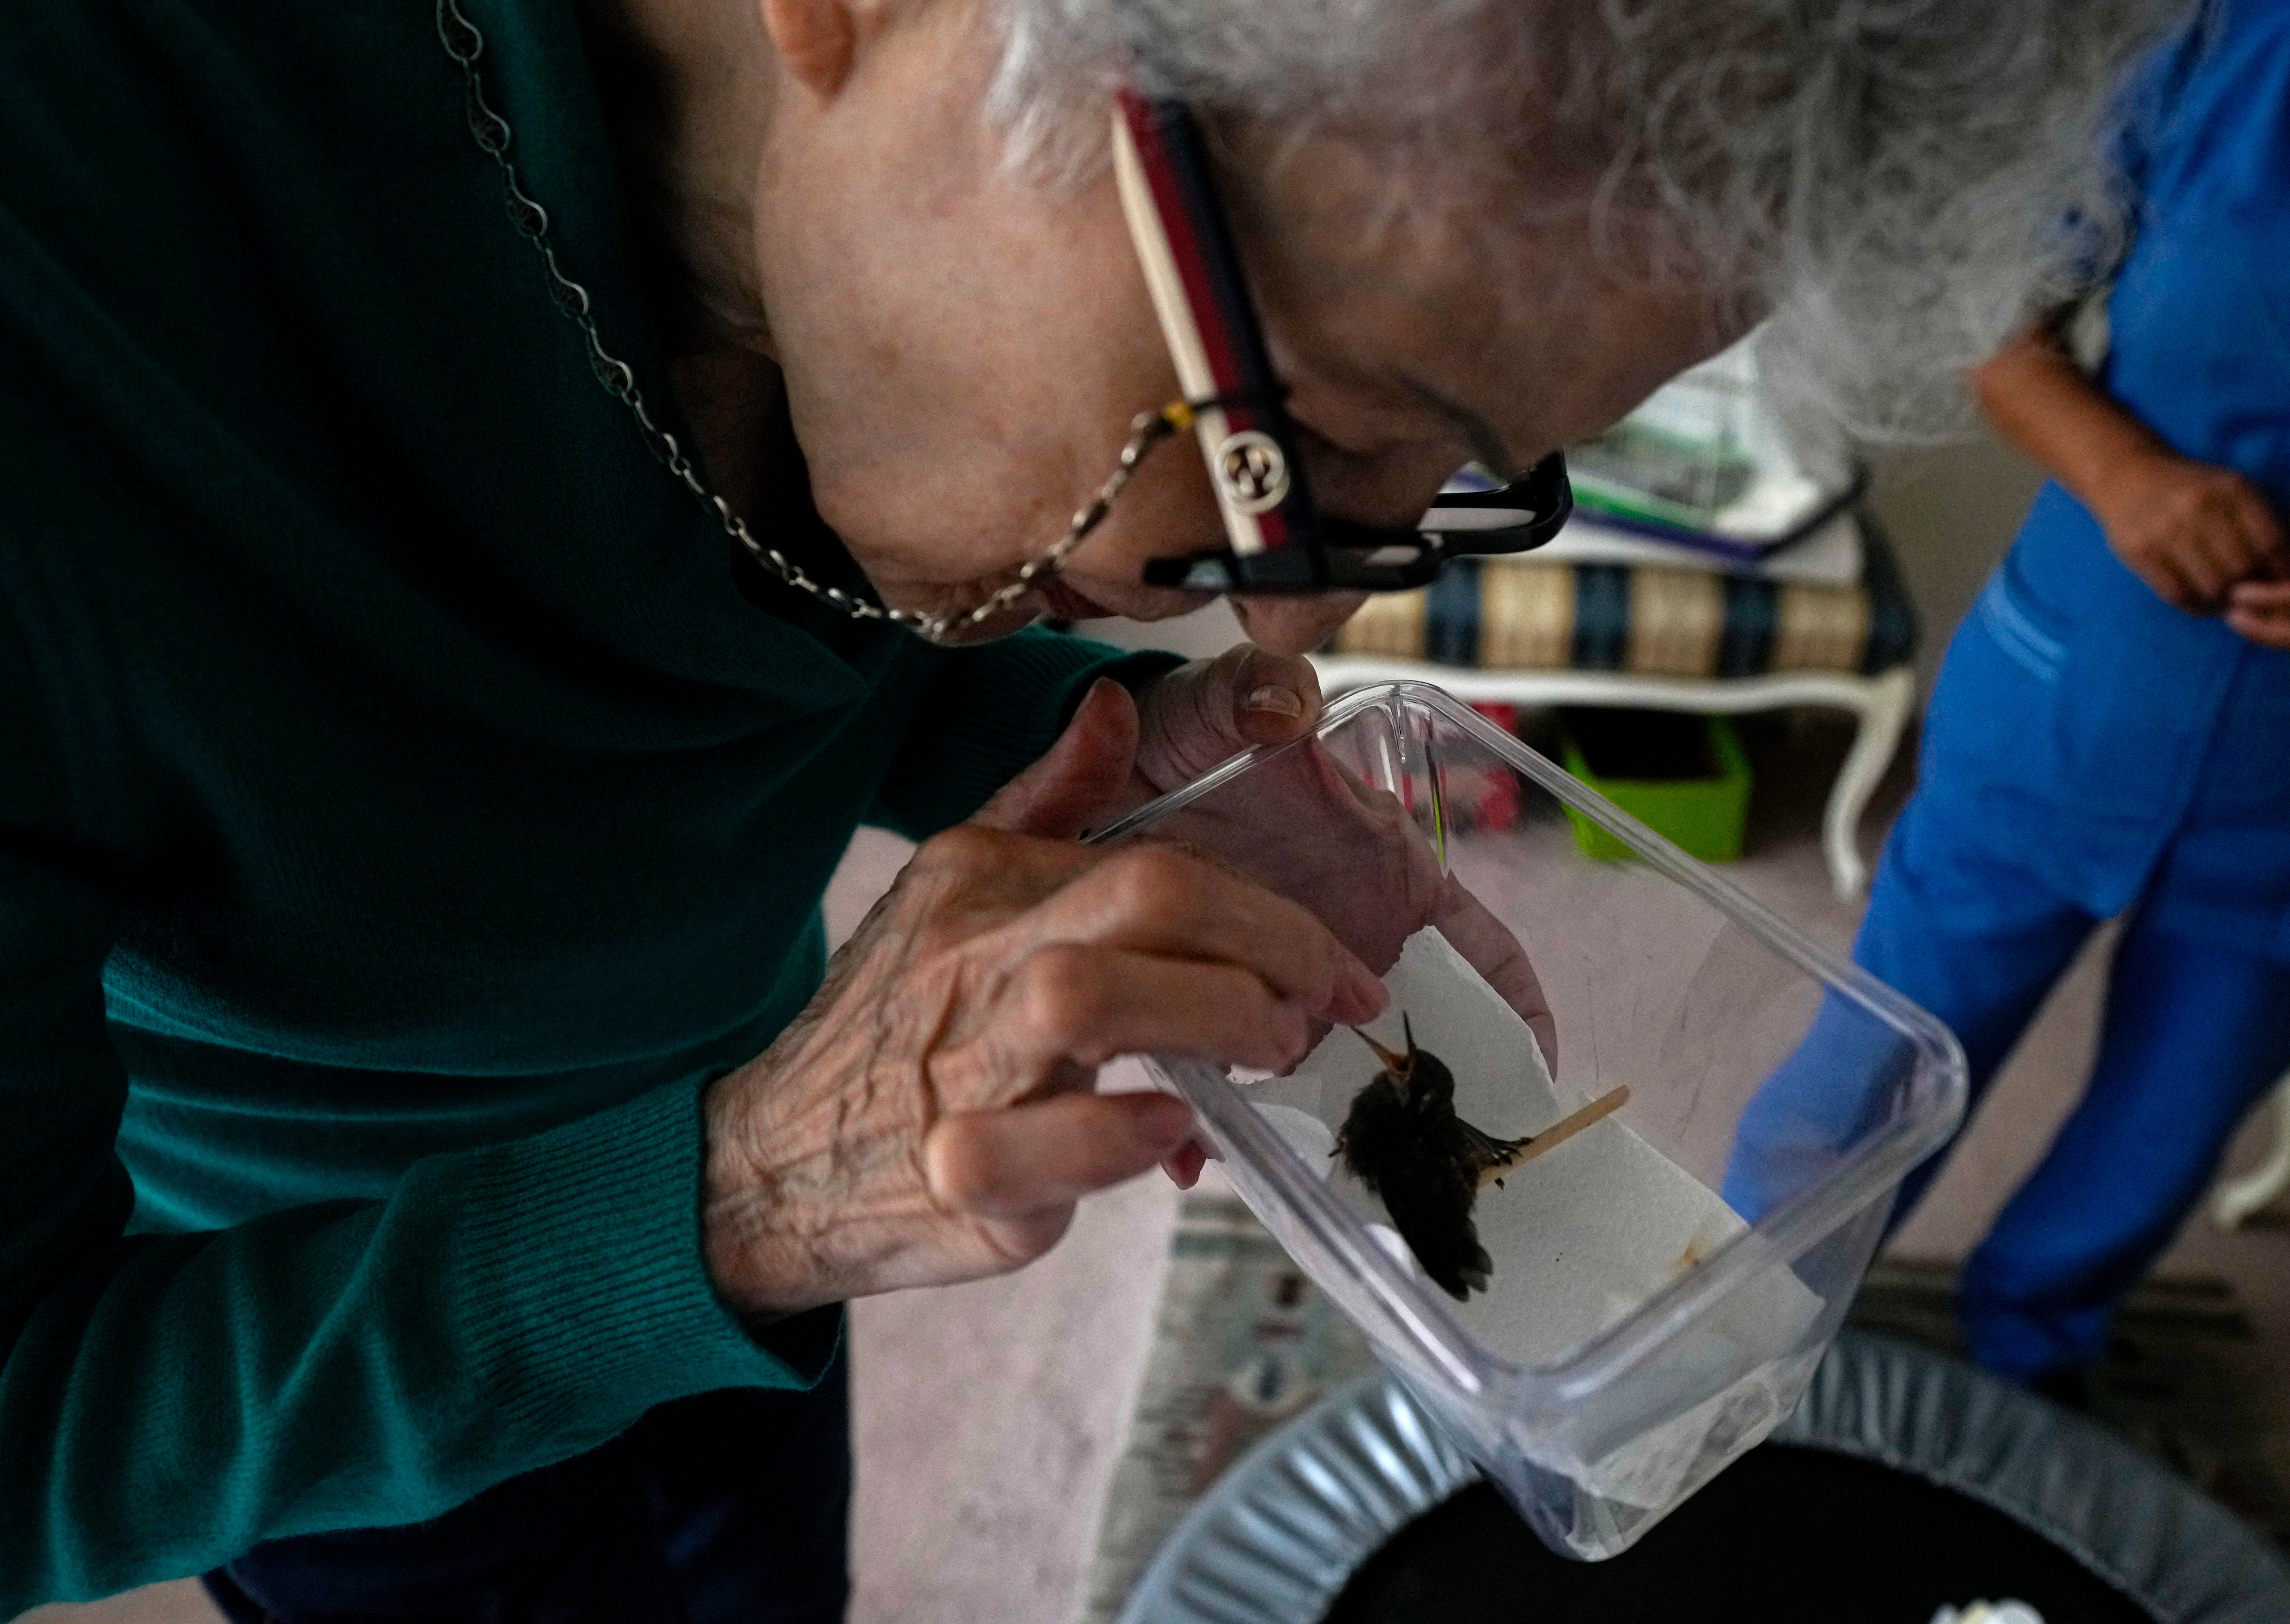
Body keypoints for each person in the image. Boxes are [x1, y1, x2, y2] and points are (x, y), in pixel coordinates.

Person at [0, 0, 2167, 1617]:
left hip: (740, 1237)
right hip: (332, 1352)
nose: (1299, 612)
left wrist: (1129, 757)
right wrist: (742, 1194)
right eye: (1300, 439)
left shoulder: (871, 270)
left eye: (1453, 483)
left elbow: (745, 648)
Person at [1735, 0, 2290, 1398]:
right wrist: (2127, 476)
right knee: (1870, 1075)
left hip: (2279, 818)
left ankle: (2032, 1359)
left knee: (2160, 1133)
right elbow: (1996, 320)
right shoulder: (2218, 42)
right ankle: (1732, 1340)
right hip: (2069, 691)